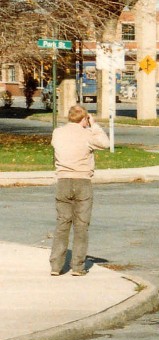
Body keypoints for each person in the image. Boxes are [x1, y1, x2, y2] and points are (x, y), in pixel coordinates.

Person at [49, 105, 110, 276]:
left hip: (63, 181)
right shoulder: (88, 135)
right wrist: (94, 125)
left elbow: (56, 146)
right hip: (82, 181)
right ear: (84, 119)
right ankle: (77, 266)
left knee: (62, 224)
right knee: (81, 226)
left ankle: (56, 265)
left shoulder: (57, 133)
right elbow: (106, 143)